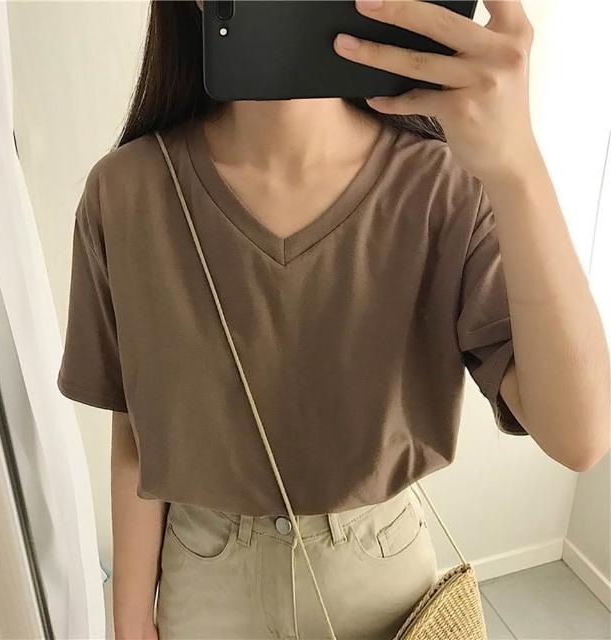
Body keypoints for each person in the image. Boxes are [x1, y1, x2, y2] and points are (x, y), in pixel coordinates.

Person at [56, 1, 610, 639]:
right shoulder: (125, 192)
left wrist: (519, 168)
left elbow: (580, 437)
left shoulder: (445, 186)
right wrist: (130, 618)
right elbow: (136, 421)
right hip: (204, 583)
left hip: (382, 578)